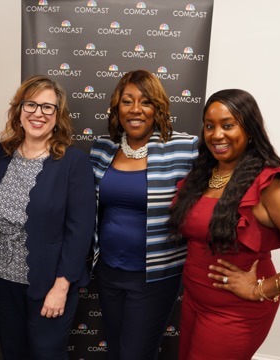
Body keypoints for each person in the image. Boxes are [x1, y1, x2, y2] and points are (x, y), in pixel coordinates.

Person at [168, 89, 280, 359]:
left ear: (249, 129)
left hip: (235, 312)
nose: (216, 134)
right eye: (209, 126)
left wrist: (260, 288)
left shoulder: (270, 184)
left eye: (228, 125)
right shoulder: (203, 175)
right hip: (194, 302)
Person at [0, 75, 96, 359]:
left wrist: (61, 286)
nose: (38, 114)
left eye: (48, 108)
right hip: (2, 283)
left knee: (47, 354)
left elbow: (79, 232)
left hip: (49, 284)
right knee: (13, 353)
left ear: (58, 116)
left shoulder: (73, 162)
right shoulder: (1, 154)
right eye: (31, 105)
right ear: (19, 110)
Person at [89, 69, 198, 359]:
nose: (135, 109)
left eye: (145, 101)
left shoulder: (184, 148)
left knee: (136, 354)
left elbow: (221, 188)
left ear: (157, 108)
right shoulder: (102, 147)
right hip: (109, 270)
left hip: (154, 276)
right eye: (127, 101)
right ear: (117, 107)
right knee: (114, 348)